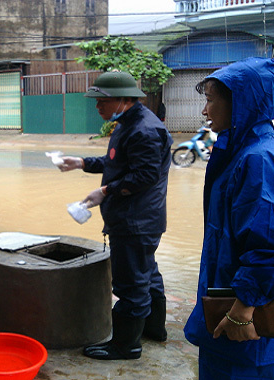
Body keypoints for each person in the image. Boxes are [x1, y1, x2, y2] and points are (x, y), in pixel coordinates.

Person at [184, 58, 274, 379]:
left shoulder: (260, 159)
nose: (205, 111)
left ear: (241, 102)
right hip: (233, 303)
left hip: (246, 318)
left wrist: (243, 309)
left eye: (211, 100)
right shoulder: (243, 150)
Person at [59, 71, 173, 360]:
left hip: (135, 222)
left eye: (102, 101)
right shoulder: (128, 123)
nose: (97, 107)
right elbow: (117, 164)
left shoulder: (143, 129)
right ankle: (152, 329)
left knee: (131, 283)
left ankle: (126, 345)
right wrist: (82, 163)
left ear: (123, 99)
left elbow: (143, 176)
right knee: (147, 276)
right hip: (139, 220)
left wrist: (105, 192)